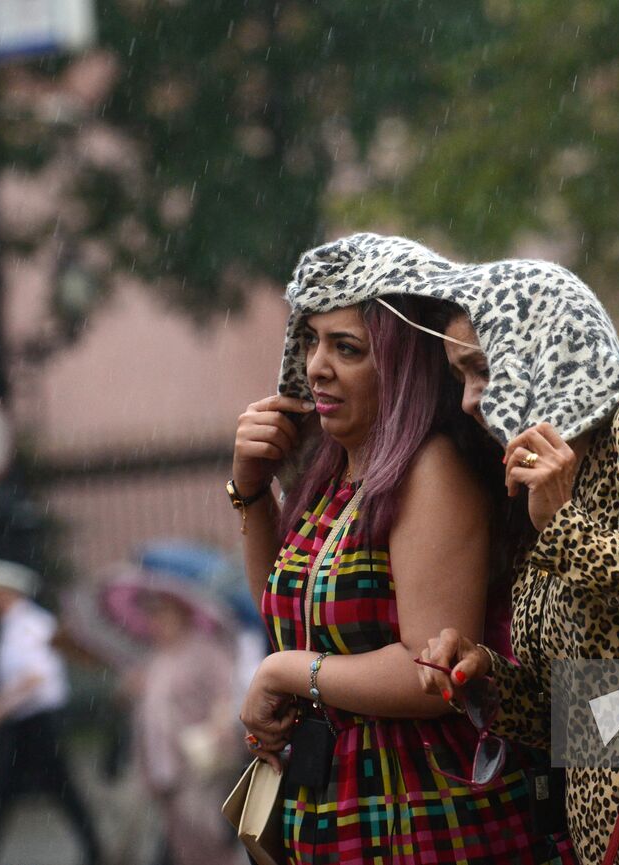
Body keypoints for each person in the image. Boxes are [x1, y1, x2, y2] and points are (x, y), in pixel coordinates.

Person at [278, 233, 619, 864]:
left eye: (483, 370)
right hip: (618, 846)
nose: (468, 399)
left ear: (541, 351)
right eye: (459, 375)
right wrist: (484, 678)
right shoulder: (540, 480)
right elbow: (580, 713)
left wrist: (566, 527)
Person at [232, 293, 565, 864]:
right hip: (335, 803)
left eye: (347, 348)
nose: (316, 365)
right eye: (311, 340)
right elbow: (288, 616)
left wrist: (285, 672)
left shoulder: (429, 469)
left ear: (402, 366)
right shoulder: (334, 471)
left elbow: (428, 671)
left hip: (415, 807)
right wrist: (253, 491)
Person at [0, 559, 102, 865]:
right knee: (11, 794)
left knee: (54, 792)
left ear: (12, 592)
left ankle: (96, 850)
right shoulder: (14, 626)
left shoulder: (29, 625)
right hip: (25, 722)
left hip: (38, 723)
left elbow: (35, 677)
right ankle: (94, 849)